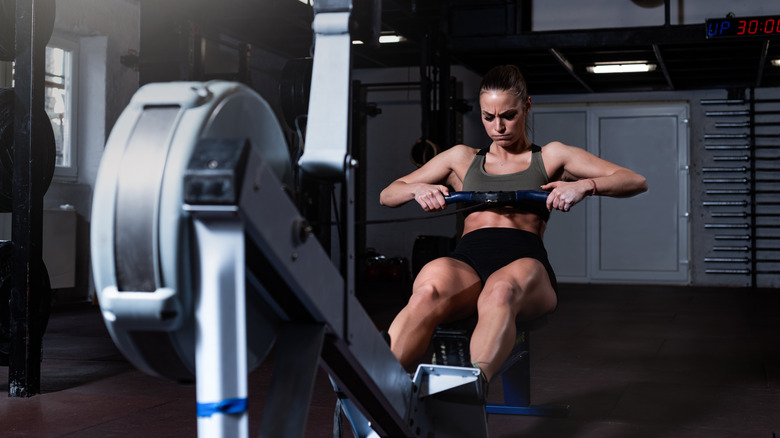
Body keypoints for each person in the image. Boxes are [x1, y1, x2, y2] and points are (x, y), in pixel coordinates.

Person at [379, 65, 647, 383]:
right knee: (427, 290)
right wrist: (417, 188)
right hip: (468, 260)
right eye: (488, 117)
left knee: (501, 291)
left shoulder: (551, 156)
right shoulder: (460, 158)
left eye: (508, 115)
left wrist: (584, 185)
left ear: (527, 107)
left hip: (525, 262)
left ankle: (468, 390)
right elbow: (388, 194)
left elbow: (634, 180)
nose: (499, 127)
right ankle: (376, 386)